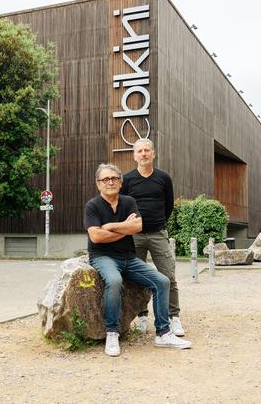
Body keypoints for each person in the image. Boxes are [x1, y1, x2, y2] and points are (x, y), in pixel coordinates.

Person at [85, 163, 192, 357]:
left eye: (114, 178)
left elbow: (136, 227)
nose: (110, 182)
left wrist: (109, 226)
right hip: (103, 257)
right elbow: (96, 237)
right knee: (115, 281)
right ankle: (112, 332)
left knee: (162, 281)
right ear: (98, 184)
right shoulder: (93, 206)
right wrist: (123, 227)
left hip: (128, 258)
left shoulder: (128, 202)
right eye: (105, 179)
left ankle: (163, 332)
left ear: (120, 182)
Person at [120, 138, 185, 336]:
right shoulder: (128, 179)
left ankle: (174, 318)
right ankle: (141, 317)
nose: (143, 154)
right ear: (134, 156)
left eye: (147, 150)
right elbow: (122, 206)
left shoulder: (163, 178)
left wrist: (157, 222)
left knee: (168, 276)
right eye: (139, 151)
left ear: (153, 153)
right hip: (135, 236)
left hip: (158, 234)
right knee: (136, 278)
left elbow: (169, 206)